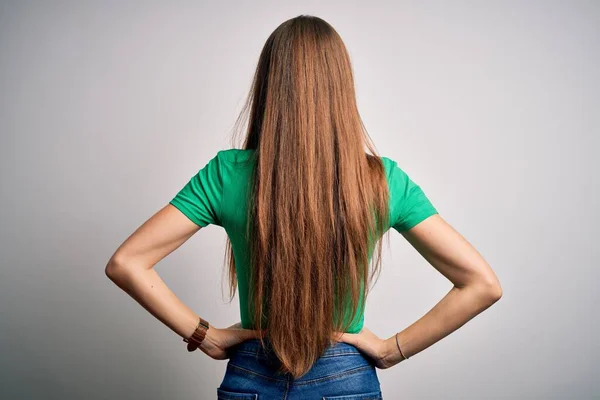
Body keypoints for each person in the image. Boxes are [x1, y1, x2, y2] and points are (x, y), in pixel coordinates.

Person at [105, 14, 502, 400]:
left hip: (251, 374)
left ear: (268, 85)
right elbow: (481, 284)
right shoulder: (383, 180)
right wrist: (389, 350)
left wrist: (203, 336)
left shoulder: (227, 174)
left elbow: (127, 262)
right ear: (341, 87)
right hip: (346, 378)